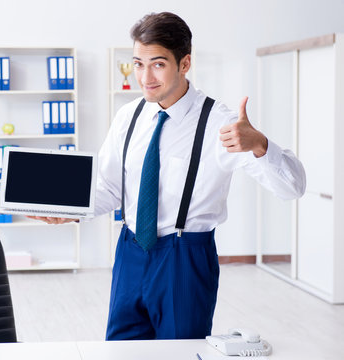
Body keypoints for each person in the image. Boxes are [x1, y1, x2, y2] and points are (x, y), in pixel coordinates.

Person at [30, 12, 306, 340]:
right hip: (129, 253)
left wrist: (260, 144)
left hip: (185, 260)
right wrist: (69, 212)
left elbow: (294, 187)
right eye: (137, 63)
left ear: (185, 63)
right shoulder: (128, 116)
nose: (145, 77)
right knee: (121, 351)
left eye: (158, 64)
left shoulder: (222, 123)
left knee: (179, 353)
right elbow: (109, 187)